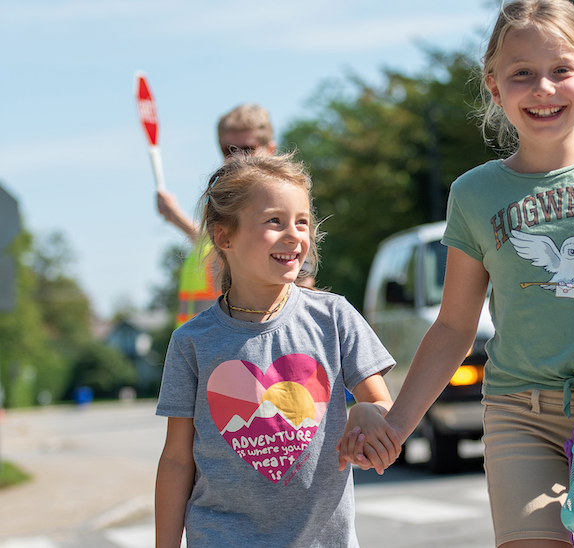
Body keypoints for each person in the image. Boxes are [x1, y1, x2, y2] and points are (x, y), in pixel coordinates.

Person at [339, 1, 574, 547]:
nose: (543, 87)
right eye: (522, 74)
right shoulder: (473, 193)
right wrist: (396, 425)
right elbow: (453, 327)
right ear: (494, 87)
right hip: (522, 414)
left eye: (561, 69)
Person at [155, 153, 400, 548]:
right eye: (274, 221)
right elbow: (177, 460)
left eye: (302, 221)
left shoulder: (334, 316)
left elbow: (381, 408)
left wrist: (368, 418)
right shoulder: (191, 343)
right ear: (224, 237)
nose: (294, 235)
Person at [156, 104, 289, 326]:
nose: (236, 159)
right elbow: (220, 249)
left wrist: (177, 218)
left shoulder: (284, 204)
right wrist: (176, 218)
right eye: (229, 150)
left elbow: (298, 281)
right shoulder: (222, 197)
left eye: (247, 149)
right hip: (203, 343)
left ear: (271, 149)